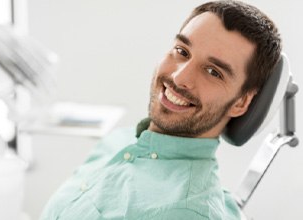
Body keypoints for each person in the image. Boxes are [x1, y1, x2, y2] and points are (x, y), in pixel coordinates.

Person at [40, 1, 281, 219]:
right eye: (182, 51)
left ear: (241, 103)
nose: (179, 76)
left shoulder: (187, 212)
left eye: (213, 72)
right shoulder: (117, 142)